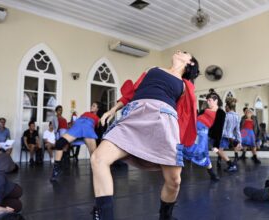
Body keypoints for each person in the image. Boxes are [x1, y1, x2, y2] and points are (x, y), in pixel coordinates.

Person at [90, 50, 199, 220]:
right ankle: (105, 215)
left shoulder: (186, 86)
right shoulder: (153, 69)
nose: (179, 51)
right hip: (135, 115)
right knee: (98, 158)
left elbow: (187, 114)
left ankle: (165, 217)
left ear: (190, 63)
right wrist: (112, 110)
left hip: (164, 121)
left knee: (174, 181)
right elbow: (132, 92)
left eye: (185, 52)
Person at [50, 102, 101, 181]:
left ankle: (98, 175)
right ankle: (56, 169)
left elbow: (98, 127)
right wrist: (72, 121)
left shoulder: (98, 118)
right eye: (91, 105)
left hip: (88, 128)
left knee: (94, 156)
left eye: (94, 106)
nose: (91, 106)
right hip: (77, 127)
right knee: (59, 143)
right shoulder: (85, 113)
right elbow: (74, 121)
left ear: (97, 109)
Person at [183, 89, 221, 181]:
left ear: (216, 101)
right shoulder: (205, 110)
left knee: (202, 152)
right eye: (207, 100)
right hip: (194, 129)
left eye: (210, 100)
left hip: (203, 133)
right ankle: (211, 173)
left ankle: (211, 173)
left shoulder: (220, 114)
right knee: (185, 145)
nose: (208, 102)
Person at [217, 97, 242, 172]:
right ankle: (226, 163)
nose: (225, 107)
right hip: (230, 136)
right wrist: (240, 141)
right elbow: (237, 130)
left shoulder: (226, 115)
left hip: (224, 136)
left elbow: (223, 128)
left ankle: (231, 165)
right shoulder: (237, 116)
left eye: (225, 106)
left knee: (218, 150)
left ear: (227, 107)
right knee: (219, 150)